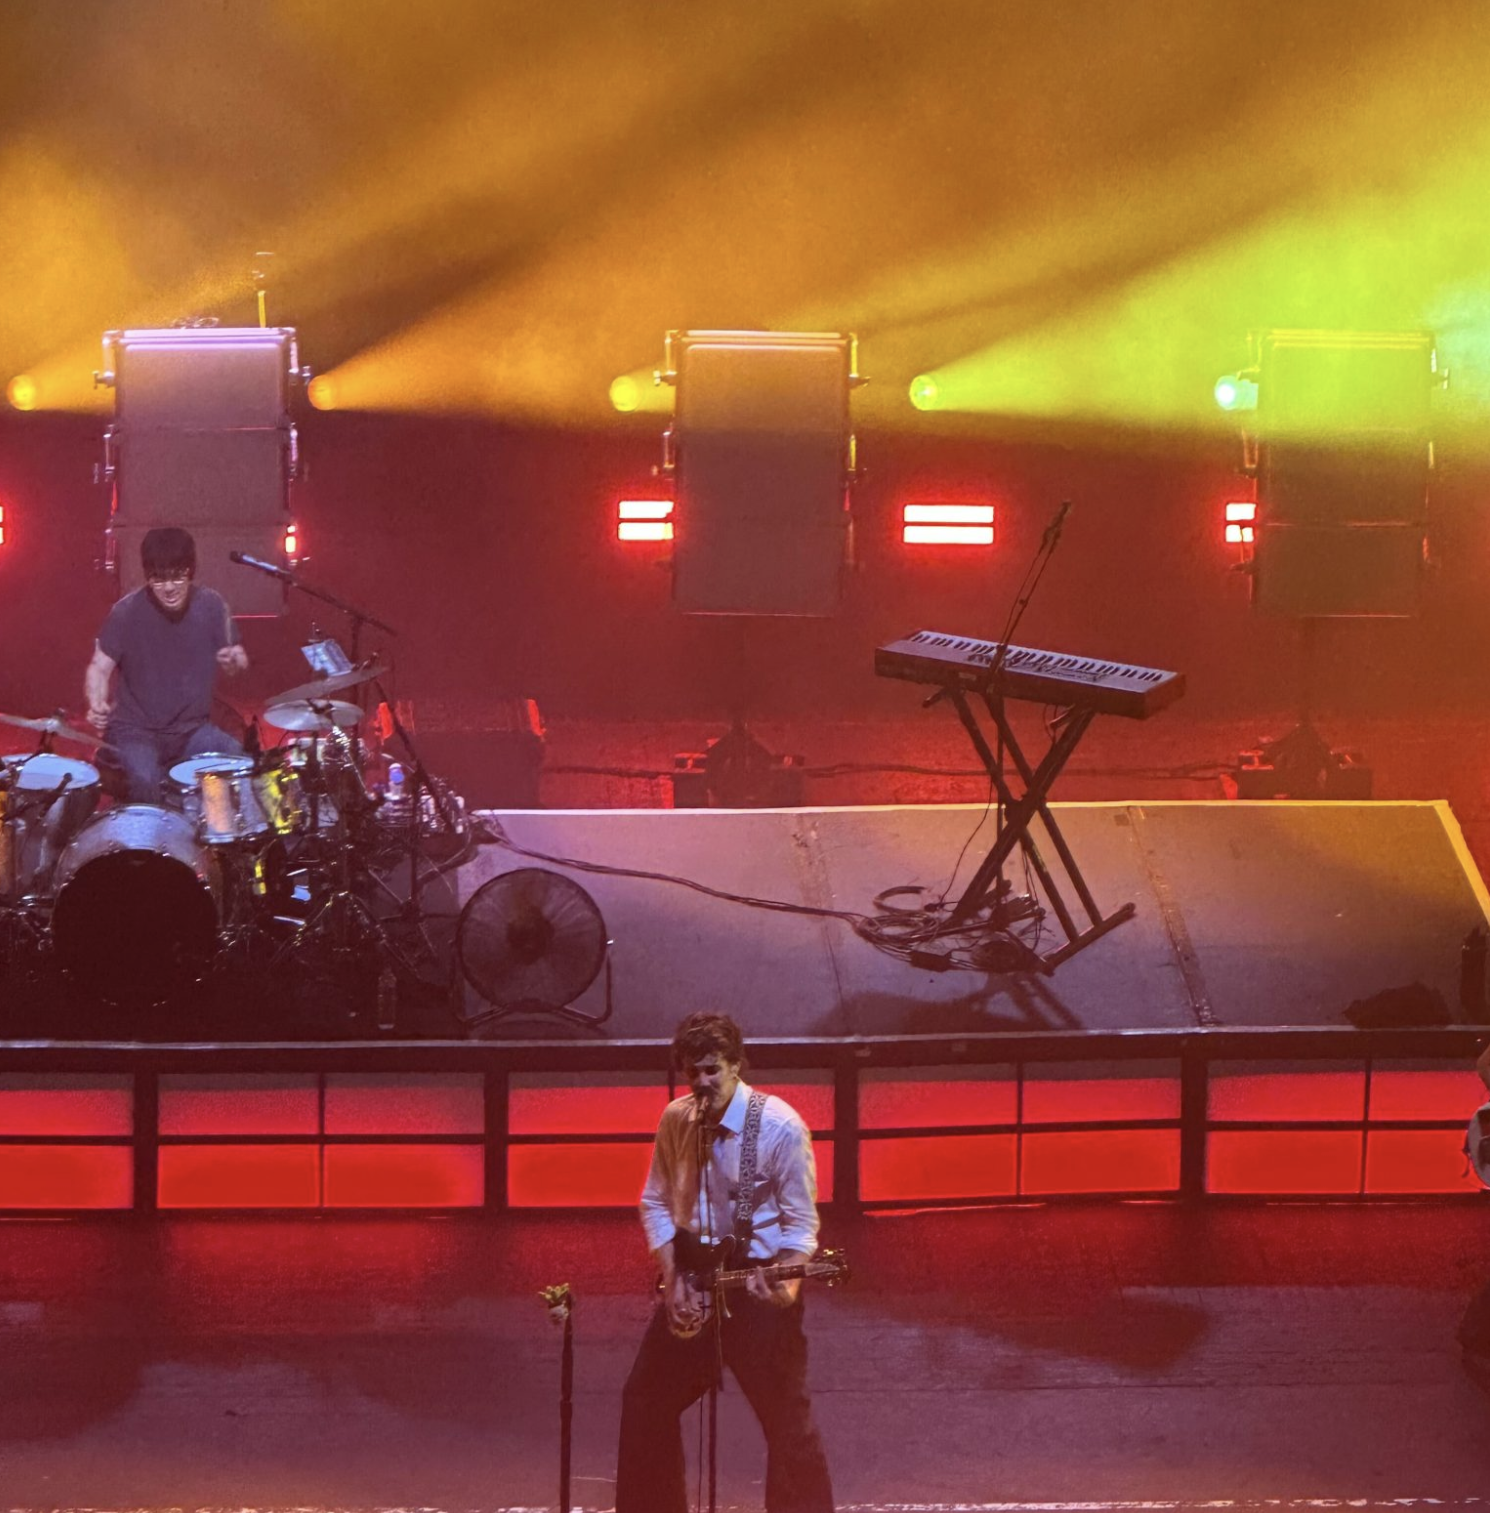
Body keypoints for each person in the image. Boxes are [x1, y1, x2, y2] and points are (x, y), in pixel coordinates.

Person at [616, 1010, 835, 1513]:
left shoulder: (780, 1127)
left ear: (736, 1065)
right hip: (693, 1277)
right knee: (645, 1400)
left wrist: (786, 1289)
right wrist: (673, 1277)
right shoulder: (676, 1119)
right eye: (693, 1072)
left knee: (788, 1424)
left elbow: (801, 1225)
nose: (702, 1082)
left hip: (757, 1281)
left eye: (712, 1069)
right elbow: (655, 1201)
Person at [84, 526, 249, 803]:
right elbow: (99, 667)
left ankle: (214, 826)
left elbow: (238, 657)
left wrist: (235, 660)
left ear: (191, 571)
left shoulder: (212, 605)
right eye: (158, 579)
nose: (169, 588)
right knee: (146, 778)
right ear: (147, 576)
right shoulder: (126, 612)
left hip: (191, 730)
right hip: (136, 731)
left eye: (177, 576)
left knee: (235, 757)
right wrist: (96, 702)